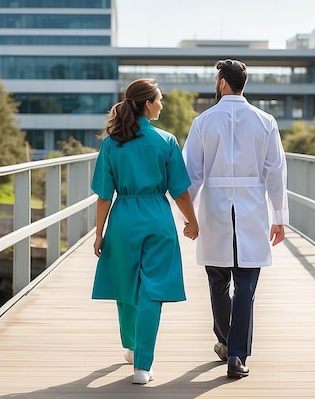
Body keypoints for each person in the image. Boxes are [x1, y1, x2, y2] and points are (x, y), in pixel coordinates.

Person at [182, 59, 289, 379]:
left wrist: (188, 216)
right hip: (252, 207)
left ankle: (227, 342)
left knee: (217, 279)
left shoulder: (203, 121)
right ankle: (237, 355)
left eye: (217, 79)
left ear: (223, 83)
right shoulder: (265, 121)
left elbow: (191, 174)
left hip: (215, 207)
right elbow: (276, 172)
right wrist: (279, 216)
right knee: (245, 284)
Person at [91, 78, 199, 385]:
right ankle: (142, 365)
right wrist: (191, 220)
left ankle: (131, 345)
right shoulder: (166, 141)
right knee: (152, 291)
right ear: (147, 104)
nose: (162, 105)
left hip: (123, 217)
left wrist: (99, 233)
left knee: (125, 287)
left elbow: (103, 196)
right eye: (159, 100)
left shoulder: (112, 143)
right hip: (157, 218)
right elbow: (180, 191)